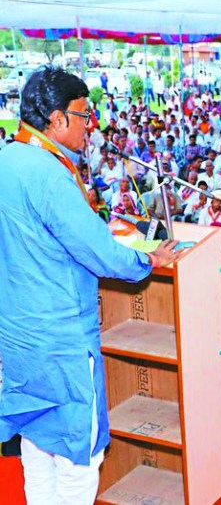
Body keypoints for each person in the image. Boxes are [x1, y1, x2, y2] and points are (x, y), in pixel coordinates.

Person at [0, 66, 181, 505]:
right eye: (84, 116)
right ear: (57, 119)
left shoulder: (7, 159)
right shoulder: (50, 173)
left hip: (18, 335)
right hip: (61, 338)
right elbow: (100, 253)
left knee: (36, 441)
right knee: (81, 455)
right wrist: (148, 258)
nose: (90, 126)